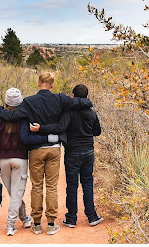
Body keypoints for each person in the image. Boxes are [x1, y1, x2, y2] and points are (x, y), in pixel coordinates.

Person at [0, 72, 93, 236]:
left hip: (36, 149)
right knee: (52, 186)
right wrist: (88, 102)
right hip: (54, 148)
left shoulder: (29, 102)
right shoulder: (60, 99)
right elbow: (79, 102)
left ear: (39, 83)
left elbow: (12, 116)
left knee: (37, 186)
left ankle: (38, 224)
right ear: (52, 85)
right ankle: (52, 224)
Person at [0, 88, 59, 236]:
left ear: (6, 101)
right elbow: (26, 139)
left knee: (14, 194)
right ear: (20, 102)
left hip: (3, 159)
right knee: (16, 194)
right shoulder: (24, 117)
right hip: (20, 159)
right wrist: (47, 138)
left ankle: (24, 218)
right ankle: (11, 225)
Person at [30, 84, 104, 228]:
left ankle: (71, 219)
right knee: (87, 183)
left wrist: (41, 128)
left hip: (72, 153)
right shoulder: (92, 113)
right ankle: (92, 216)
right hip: (88, 151)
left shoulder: (69, 112)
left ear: (73, 97)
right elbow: (97, 132)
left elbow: (59, 127)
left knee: (72, 185)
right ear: (86, 98)